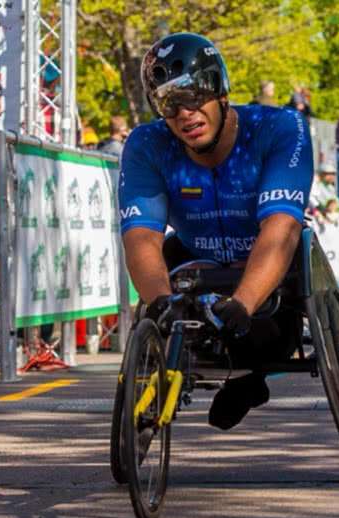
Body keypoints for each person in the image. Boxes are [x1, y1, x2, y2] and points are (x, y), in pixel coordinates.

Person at [118, 33, 313, 430]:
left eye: (193, 95)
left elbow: (282, 228)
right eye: (169, 104)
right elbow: (141, 237)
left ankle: (250, 379)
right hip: (195, 263)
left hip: (267, 285)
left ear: (220, 91)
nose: (185, 114)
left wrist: (243, 301)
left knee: (264, 320)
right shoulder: (147, 144)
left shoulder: (278, 128)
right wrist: (161, 306)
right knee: (163, 278)